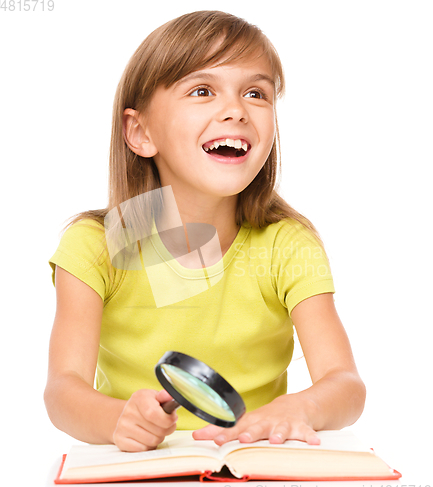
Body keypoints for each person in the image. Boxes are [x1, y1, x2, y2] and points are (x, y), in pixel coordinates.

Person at [44, 10, 366, 453]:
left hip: (255, 469)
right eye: (202, 90)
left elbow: (346, 384)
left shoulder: (287, 244)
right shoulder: (97, 245)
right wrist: (118, 419)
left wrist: (300, 408)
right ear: (139, 132)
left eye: (256, 93)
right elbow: (62, 391)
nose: (235, 111)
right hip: (136, 474)